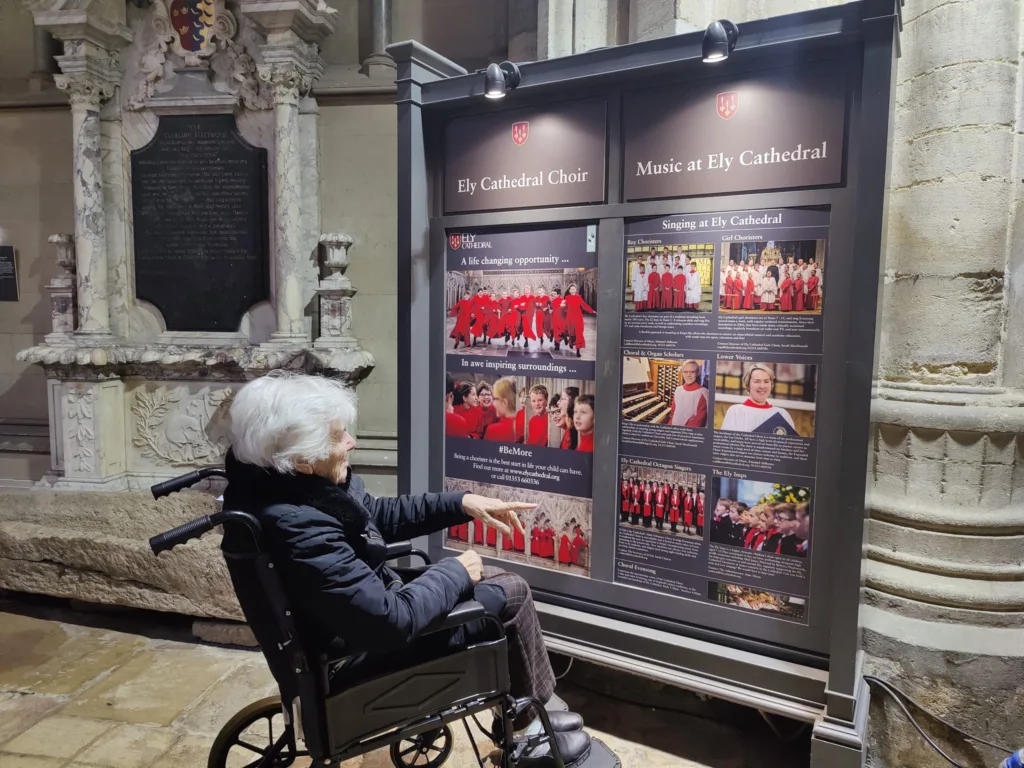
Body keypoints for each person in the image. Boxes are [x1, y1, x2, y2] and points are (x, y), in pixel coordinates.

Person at [221, 373, 589, 761]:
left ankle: (531, 710)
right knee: (512, 593)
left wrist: (461, 503)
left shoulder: (284, 488)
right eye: (338, 436)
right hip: (360, 656)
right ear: (301, 459)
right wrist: (456, 572)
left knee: (488, 584)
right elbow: (390, 621)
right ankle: (529, 728)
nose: (351, 442)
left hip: (357, 621)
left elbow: (374, 515)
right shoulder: (300, 526)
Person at [720, 364, 798, 434]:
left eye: (766, 381)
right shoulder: (736, 412)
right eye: (757, 381)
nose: (762, 386)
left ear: (771, 385)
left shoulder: (782, 414)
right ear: (748, 385)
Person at [669, 359, 709, 428]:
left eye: (692, 372)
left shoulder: (703, 393)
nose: (688, 375)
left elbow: (699, 421)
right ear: (682, 373)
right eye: (685, 372)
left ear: (697, 373)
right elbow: (673, 412)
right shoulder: (678, 390)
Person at [483, 377, 522, 442]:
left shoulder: (493, 430)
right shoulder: (527, 426)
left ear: (504, 402)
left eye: (495, 399)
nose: (492, 402)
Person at [563, 283, 595, 358]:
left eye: (574, 289)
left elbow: (584, 305)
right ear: (569, 290)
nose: (573, 290)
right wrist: (563, 307)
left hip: (578, 317)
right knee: (572, 333)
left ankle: (578, 351)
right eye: (571, 289)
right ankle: (571, 342)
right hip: (570, 317)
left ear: (576, 290)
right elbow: (565, 307)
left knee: (579, 333)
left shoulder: (579, 297)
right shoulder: (567, 298)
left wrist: (591, 311)